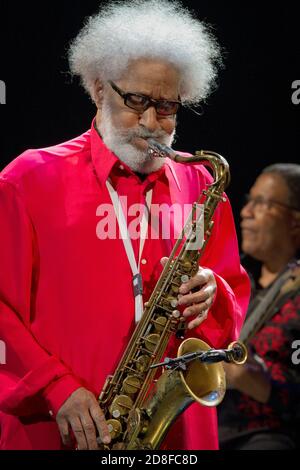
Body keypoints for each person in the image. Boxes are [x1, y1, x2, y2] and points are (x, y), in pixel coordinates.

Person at [0, 0, 250, 450]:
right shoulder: (28, 178)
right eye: (136, 101)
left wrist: (214, 289)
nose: (152, 123)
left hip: (175, 433)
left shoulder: (201, 183)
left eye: (168, 106)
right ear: (98, 88)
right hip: (60, 427)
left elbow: (231, 290)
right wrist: (56, 387)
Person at [218, 163, 300, 450]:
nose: (245, 212)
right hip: (214, 427)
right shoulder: (234, 278)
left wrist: (258, 380)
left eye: (262, 203)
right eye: (249, 201)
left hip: (271, 435)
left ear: (295, 220)